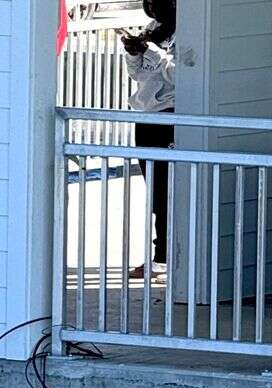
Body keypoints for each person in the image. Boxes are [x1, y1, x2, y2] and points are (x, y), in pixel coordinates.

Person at [124, 0, 176, 278]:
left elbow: (181, 73)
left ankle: (165, 256)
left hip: (171, 115)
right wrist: (134, 53)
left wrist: (153, 52)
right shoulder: (154, 28)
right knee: (155, 189)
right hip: (146, 115)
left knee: (169, 188)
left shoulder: (191, 31)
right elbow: (137, 74)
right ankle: (162, 256)